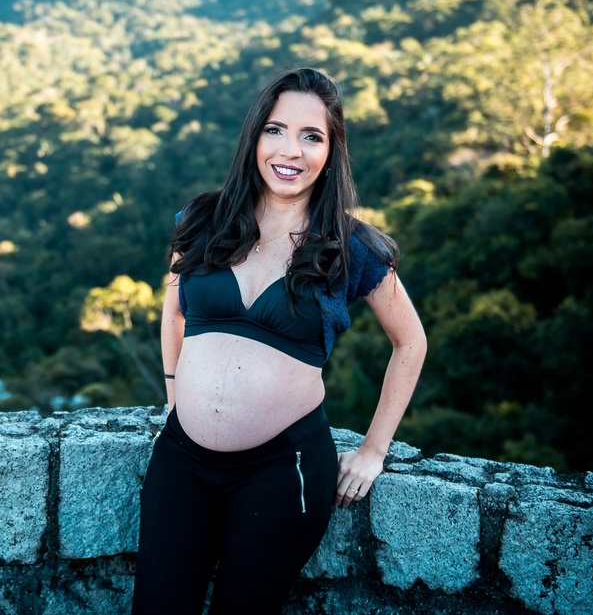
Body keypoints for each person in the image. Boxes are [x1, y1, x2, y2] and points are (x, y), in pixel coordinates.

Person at [131, 68, 427, 615]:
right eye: (276, 129)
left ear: (332, 150)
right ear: (255, 137)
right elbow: (173, 309)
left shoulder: (351, 247)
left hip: (282, 471)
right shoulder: (201, 220)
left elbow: (410, 343)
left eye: (311, 136)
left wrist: (372, 451)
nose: (290, 150)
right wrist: (174, 398)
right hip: (181, 462)